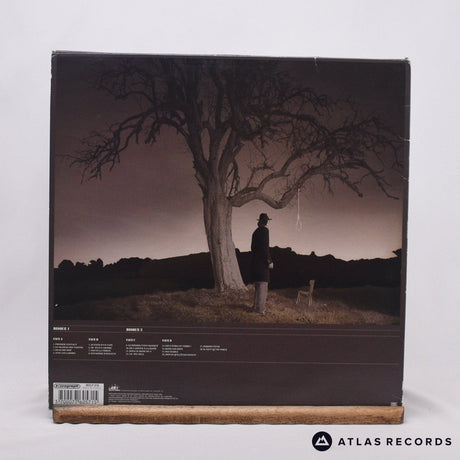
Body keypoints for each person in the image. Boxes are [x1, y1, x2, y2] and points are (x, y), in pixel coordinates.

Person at [251, 213, 273, 314]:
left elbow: (253, 248)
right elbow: (265, 247)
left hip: (255, 263)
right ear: (265, 221)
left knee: (258, 285)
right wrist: (269, 261)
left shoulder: (255, 232)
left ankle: (255, 306)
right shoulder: (265, 231)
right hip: (262, 263)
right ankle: (260, 309)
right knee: (263, 285)